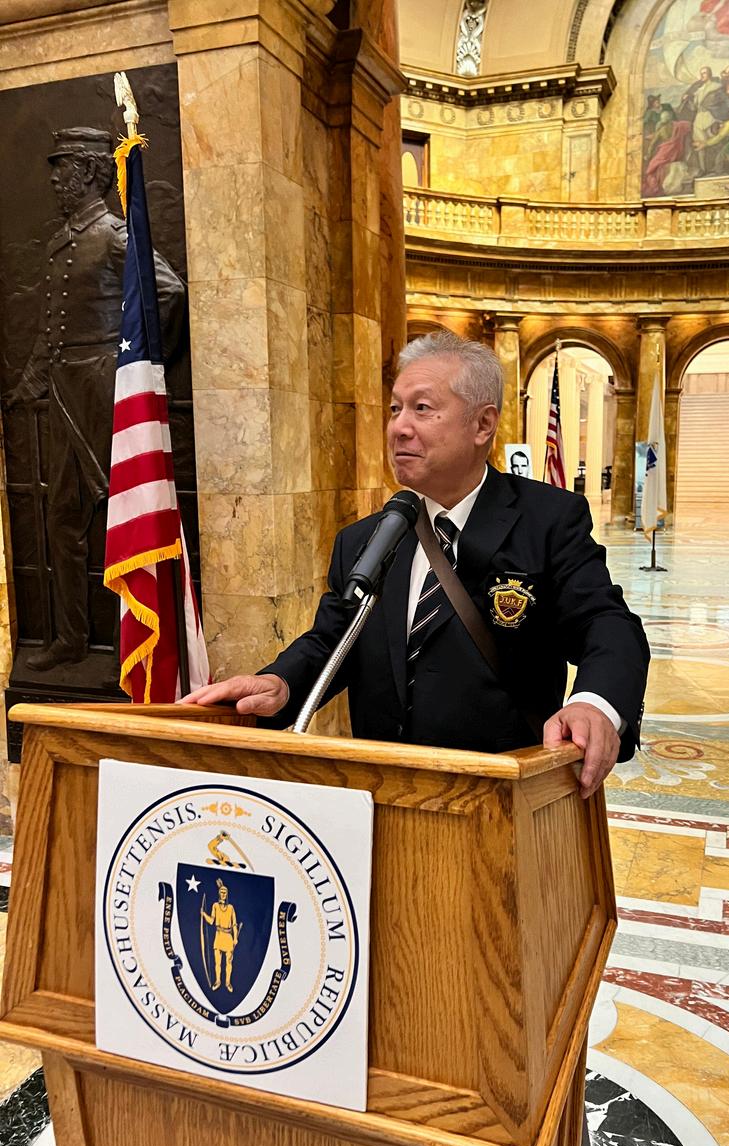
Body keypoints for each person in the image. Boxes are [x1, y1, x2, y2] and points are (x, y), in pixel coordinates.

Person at [183, 331, 650, 800]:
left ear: (483, 424)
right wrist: (280, 682)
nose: (399, 428)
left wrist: (595, 704)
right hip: (380, 794)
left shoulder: (546, 520)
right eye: (395, 409)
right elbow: (333, 639)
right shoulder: (364, 539)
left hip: (497, 799)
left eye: (422, 408)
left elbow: (606, 624)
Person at [8, 128, 184, 671]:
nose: (54, 180)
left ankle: (128, 649)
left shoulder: (114, 235)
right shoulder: (61, 240)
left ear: (87, 172)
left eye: (62, 167)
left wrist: (142, 367)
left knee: (120, 514)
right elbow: (51, 329)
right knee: (63, 516)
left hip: (107, 392)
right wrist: (28, 384)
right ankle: (71, 640)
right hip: (65, 393)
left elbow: (168, 291)